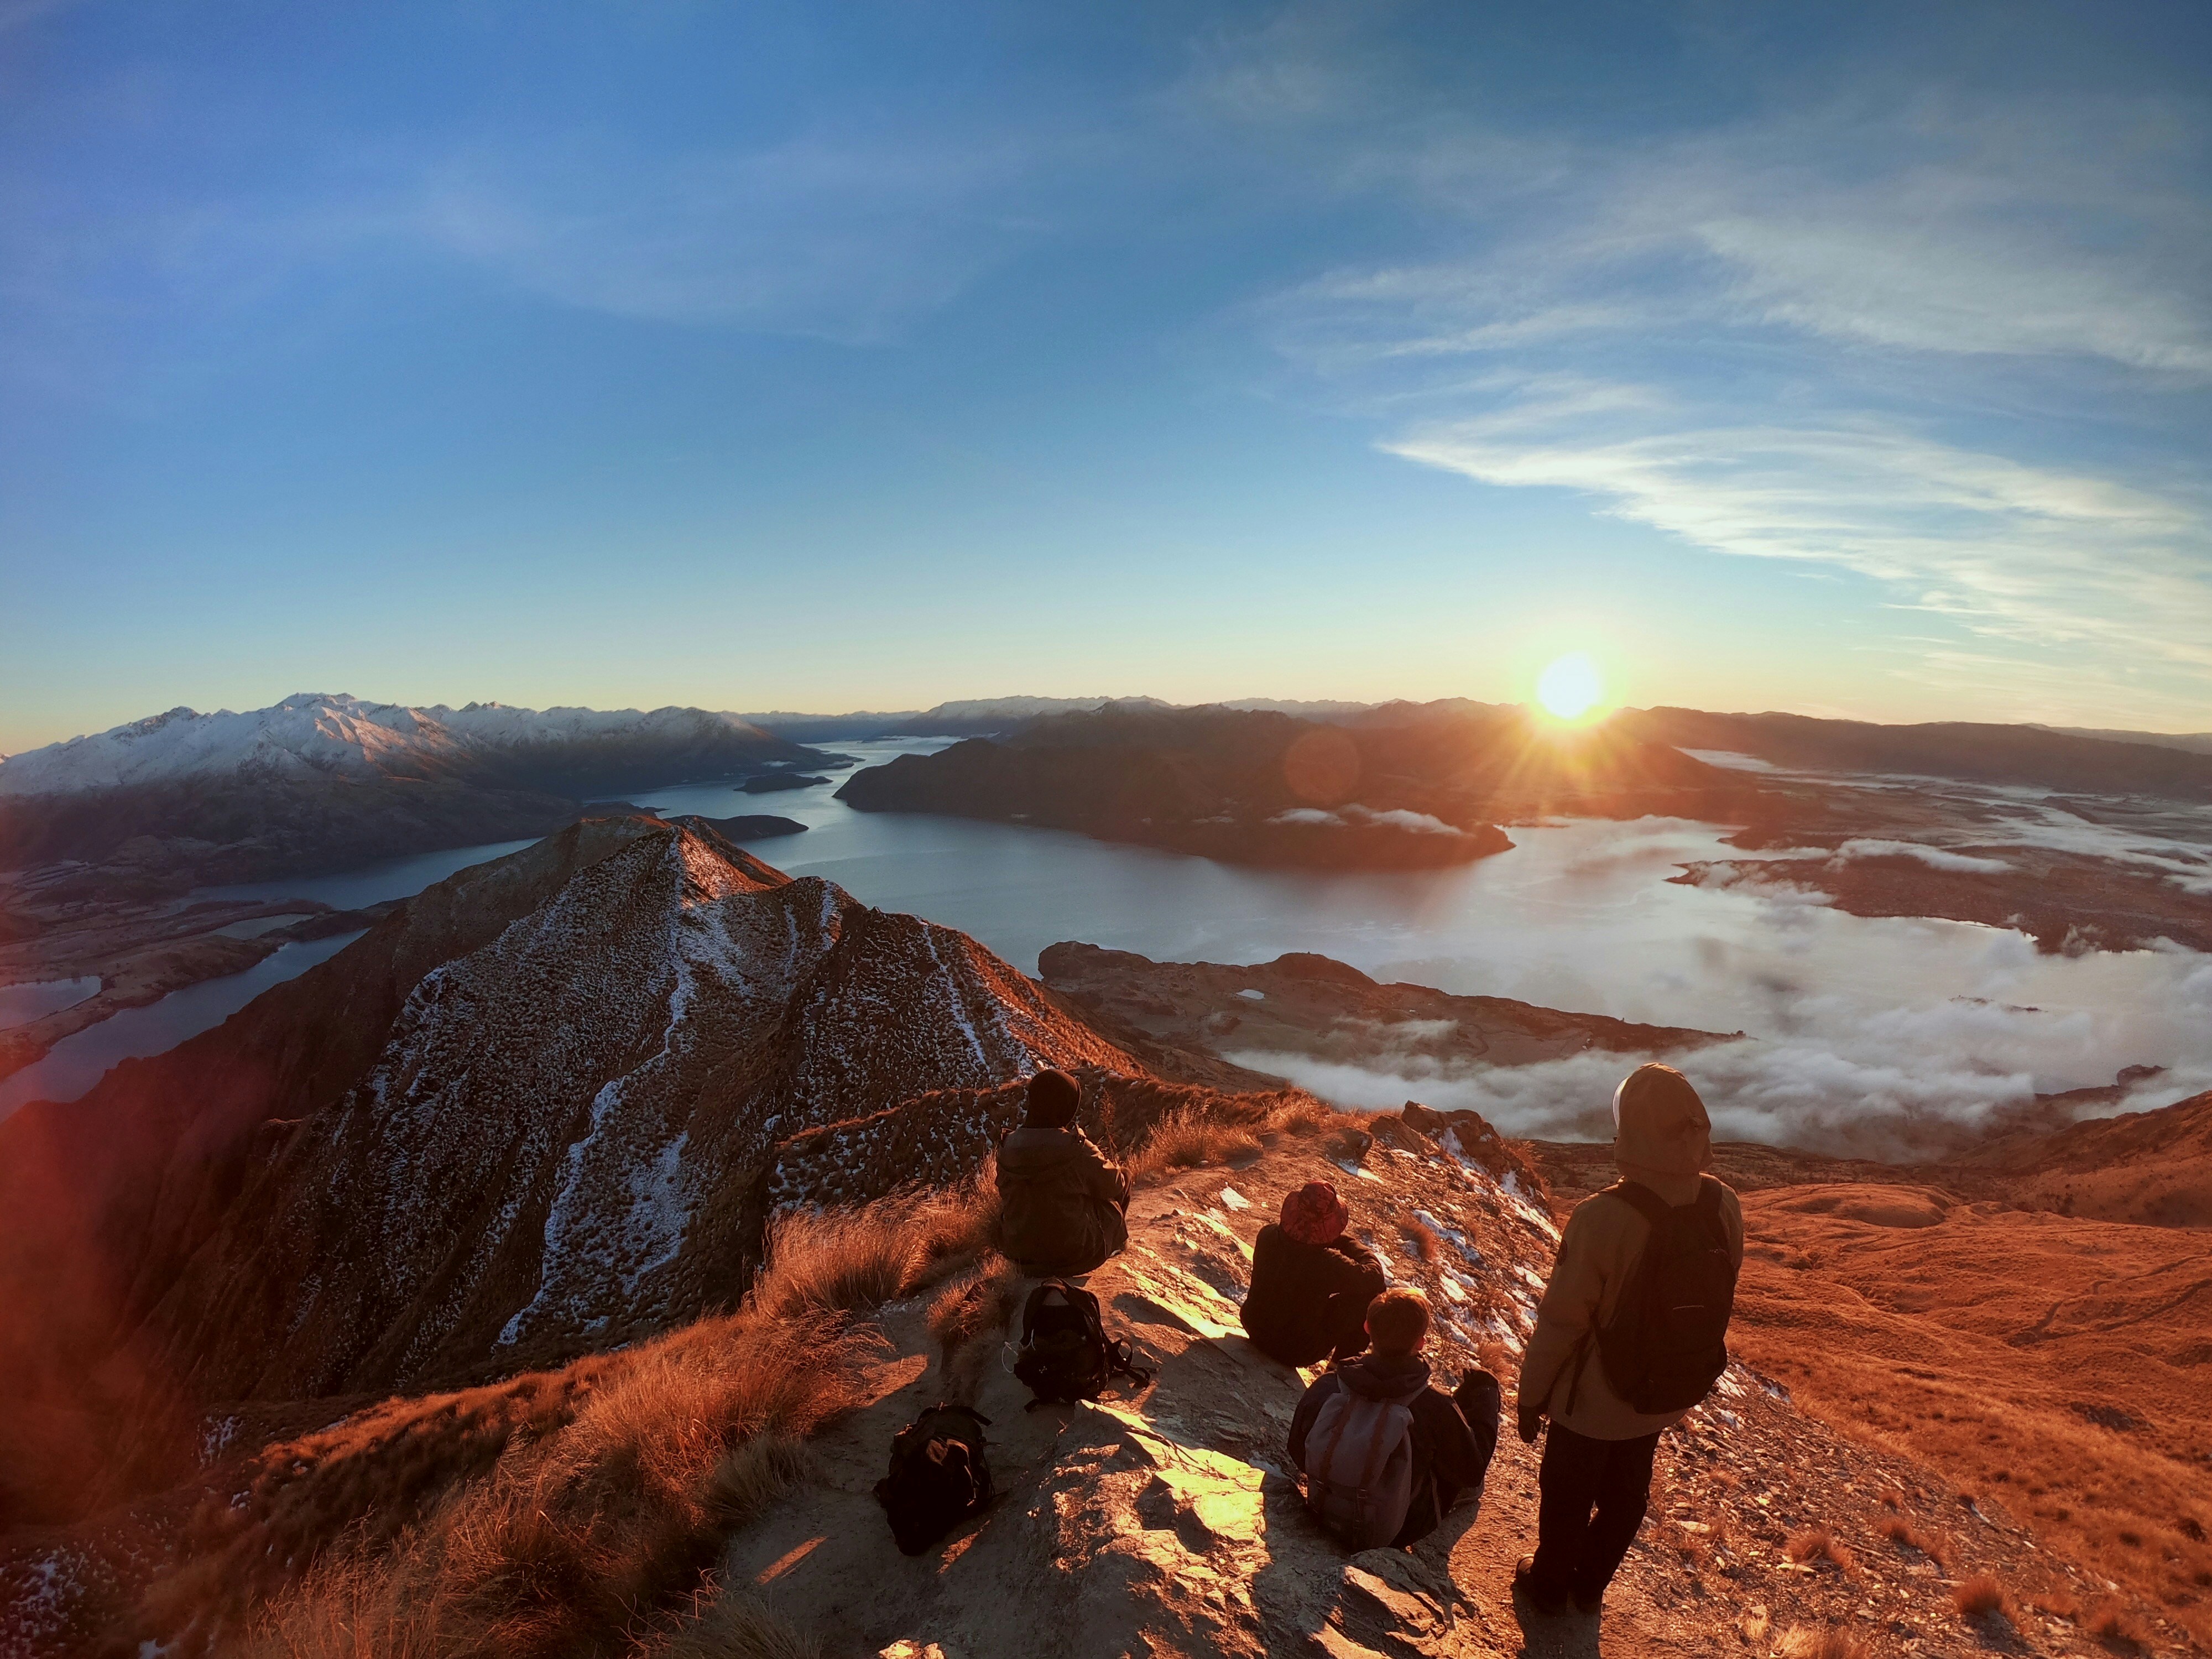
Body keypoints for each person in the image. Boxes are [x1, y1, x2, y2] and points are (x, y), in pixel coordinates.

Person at [1513, 1063, 1745, 1618]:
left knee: (1567, 1491)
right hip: (1668, 1385)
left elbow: (1563, 1319)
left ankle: (1548, 1585)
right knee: (1628, 1490)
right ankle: (1590, 1585)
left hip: (1594, 1398)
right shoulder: (1722, 1204)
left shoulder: (1602, 1217)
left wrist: (1531, 1394)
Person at [1290, 1287, 1501, 1550]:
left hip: (1323, 1506)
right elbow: (1472, 1473)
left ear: (1367, 1327)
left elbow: (1297, 1450)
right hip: (1399, 1528)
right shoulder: (1433, 1406)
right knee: (1476, 1397)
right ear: (1420, 1342)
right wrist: (1488, 1394)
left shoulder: (1330, 1385)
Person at [995, 1068, 1130, 1277]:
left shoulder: (1007, 1147)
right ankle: (1117, 1243)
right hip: (1073, 1257)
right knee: (1123, 1178)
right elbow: (1116, 1184)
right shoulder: (1075, 1148)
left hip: (1020, 1256)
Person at [1240, 1181, 1387, 1368]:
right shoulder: (1327, 1262)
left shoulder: (1268, 1235)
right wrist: (1346, 1242)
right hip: (1294, 1351)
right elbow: (1374, 1277)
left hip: (1254, 1325)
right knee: (1370, 1297)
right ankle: (1338, 1373)